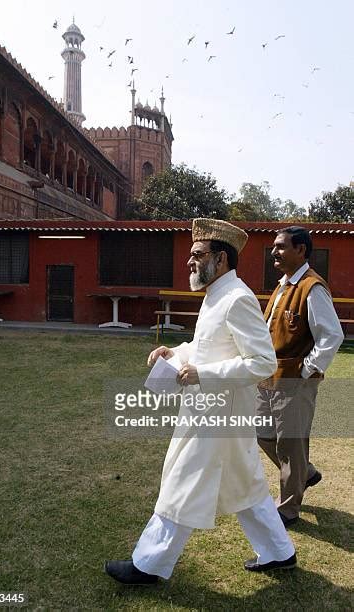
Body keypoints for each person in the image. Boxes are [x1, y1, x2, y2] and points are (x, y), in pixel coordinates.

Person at [105, 218, 297, 585]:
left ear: (221, 259)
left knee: (180, 481)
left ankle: (148, 564)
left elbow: (262, 362)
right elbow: (206, 348)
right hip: (214, 414)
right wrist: (174, 352)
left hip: (216, 417)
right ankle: (279, 553)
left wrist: (203, 375)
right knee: (247, 485)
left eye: (197, 255)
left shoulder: (237, 298)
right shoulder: (216, 295)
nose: (189, 262)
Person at [256, 226, 344, 527]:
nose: (274, 252)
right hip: (269, 376)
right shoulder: (283, 285)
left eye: (281, 247)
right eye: (273, 247)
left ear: (301, 250)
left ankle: (288, 508)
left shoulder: (312, 287)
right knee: (262, 433)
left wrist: (306, 370)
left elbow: (332, 336)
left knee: (290, 445)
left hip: (294, 380)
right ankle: (305, 473)